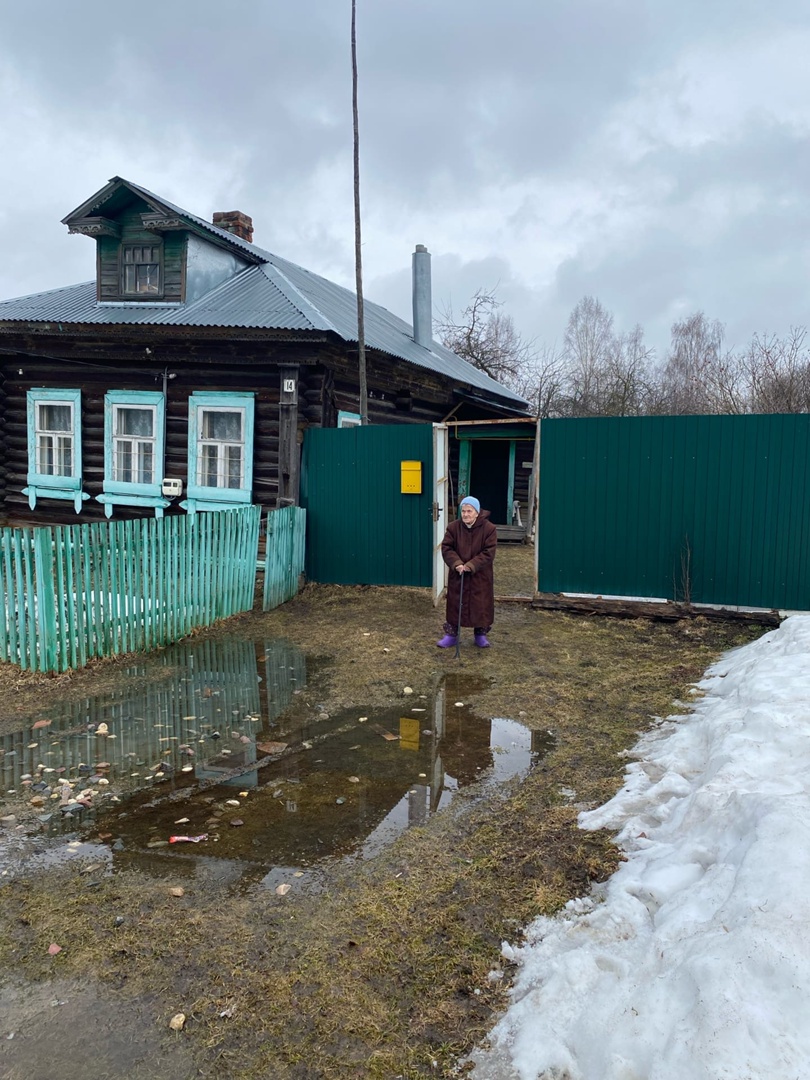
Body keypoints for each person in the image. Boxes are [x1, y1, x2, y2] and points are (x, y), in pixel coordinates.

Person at [437, 495, 497, 648]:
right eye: (463, 511)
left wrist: (471, 565)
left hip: (480, 575)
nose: (465, 515)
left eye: (469, 511)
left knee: (481, 605)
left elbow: (488, 552)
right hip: (458, 574)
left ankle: (480, 635)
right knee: (455, 604)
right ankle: (451, 635)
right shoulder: (453, 528)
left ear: (477, 512)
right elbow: (447, 548)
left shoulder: (489, 529)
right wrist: (457, 564)